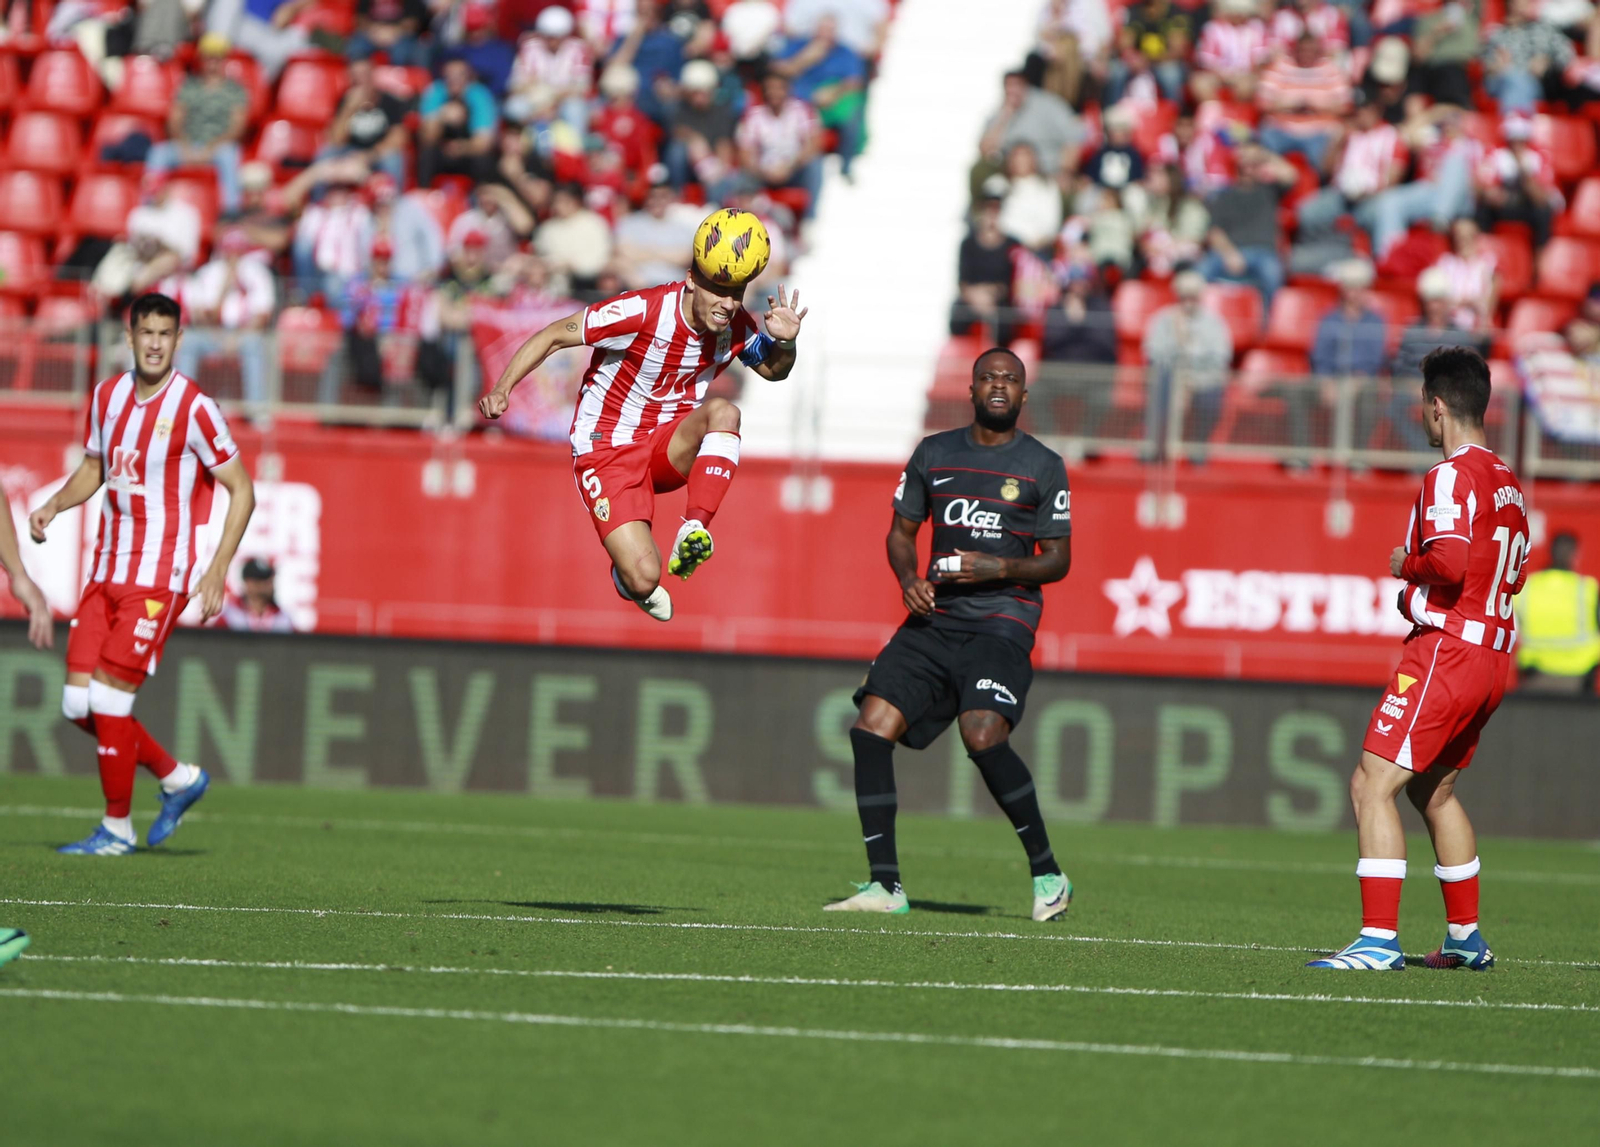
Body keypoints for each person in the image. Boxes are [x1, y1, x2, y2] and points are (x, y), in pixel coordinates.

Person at [826, 347, 1073, 920]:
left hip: (1002, 621)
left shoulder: (1043, 465)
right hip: (935, 619)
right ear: (970, 388)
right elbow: (899, 532)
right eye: (988, 377)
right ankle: (884, 887)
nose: (998, 386)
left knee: (982, 734)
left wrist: (1002, 568)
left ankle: (1047, 876)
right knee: (870, 729)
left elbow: (1058, 561)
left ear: (1023, 395)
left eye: (1010, 380)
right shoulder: (934, 453)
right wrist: (908, 577)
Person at [1308, 346, 1528, 971]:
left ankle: (1378, 941)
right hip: (1491, 658)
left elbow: (1451, 562)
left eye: (1424, 409)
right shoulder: (1509, 483)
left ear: (1436, 407)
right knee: (1433, 792)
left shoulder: (1450, 476)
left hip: (1449, 650)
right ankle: (1465, 938)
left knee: (1370, 784)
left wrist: (1407, 571)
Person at [478, 209, 807, 622]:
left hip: (666, 445)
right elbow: (554, 334)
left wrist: (786, 344)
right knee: (644, 579)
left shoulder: (734, 327)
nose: (727, 303)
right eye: (718, 289)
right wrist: (502, 388)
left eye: (737, 292)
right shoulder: (639, 311)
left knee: (724, 412)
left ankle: (695, 527)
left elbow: (773, 370)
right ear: (691, 278)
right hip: (606, 450)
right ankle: (627, 577)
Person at [28, 293, 257, 856]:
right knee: (78, 706)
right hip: (105, 569)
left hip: (159, 575)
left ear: (178, 341)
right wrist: (56, 505)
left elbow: (242, 489)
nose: (154, 343)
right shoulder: (106, 397)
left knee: (109, 703)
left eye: (165, 334)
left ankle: (116, 830)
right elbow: (93, 468)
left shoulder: (194, 407)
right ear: (129, 337)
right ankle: (177, 778)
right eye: (145, 332)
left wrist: (216, 568)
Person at [145, 32, 249, 213]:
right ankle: (147, 205)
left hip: (218, 146)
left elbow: (237, 128)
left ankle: (231, 215)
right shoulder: (188, 86)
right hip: (187, 144)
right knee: (158, 153)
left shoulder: (236, 90)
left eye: (216, 58)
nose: (212, 63)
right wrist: (183, 144)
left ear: (223, 60)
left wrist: (211, 147)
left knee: (230, 155)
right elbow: (175, 119)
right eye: (208, 58)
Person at [179, 228, 276, 409]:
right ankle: (183, 406)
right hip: (213, 334)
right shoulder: (208, 273)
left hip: (245, 335)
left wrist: (237, 339)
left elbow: (262, 316)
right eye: (229, 250)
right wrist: (223, 290)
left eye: (238, 251)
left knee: (255, 345)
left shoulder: (258, 273)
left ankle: (256, 411)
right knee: (188, 342)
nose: (233, 256)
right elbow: (201, 316)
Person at [1142, 268, 1233, 459]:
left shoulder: (1214, 322)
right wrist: (1178, 346)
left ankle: (1198, 448)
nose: (1188, 303)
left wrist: (1190, 355)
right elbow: (1153, 353)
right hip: (1170, 378)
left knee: (1212, 393)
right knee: (1161, 384)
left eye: (1193, 297)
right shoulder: (1163, 319)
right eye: (1184, 297)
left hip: (1203, 379)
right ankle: (1156, 447)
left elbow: (1220, 357)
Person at [1199, 140, 1296, 308]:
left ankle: (1267, 329)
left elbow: (1291, 175)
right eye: (1244, 165)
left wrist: (1262, 154)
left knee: (1272, 273)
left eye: (1253, 165)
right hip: (1229, 252)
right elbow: (1214, 232)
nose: (1248, 169)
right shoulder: (1224, 196)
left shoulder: (1269, 190)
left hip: (1263, 253)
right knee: (1199, 272)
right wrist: (1230, 254)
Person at [1514, 532, 1600, 694]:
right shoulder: (1587, 589)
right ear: (1574, 555)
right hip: (1580, 677)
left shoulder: (1528, 587)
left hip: (1535, 676)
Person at [735, 72, 823, 219]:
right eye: (770, 88)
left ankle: (810, 219)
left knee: (815, 165)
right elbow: (745, 152)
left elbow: (813, 143)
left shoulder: (801, 110)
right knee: (740, 177)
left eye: (779, 88)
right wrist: (763, 171)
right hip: (763, 172)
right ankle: (742, 221)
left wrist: (790, 165)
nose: (774, 93)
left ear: (787, 90)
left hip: (793, 168)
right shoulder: (753, 115)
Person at [325, 50, 410, 187]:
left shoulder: (388, 101)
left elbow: (399, 138)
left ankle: (392, 204)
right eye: (356, 76)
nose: (361, 80)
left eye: (364, 74)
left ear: (372, 74)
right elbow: (336, 140)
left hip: (377, 152)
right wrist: (349, 109)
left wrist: (369, 156)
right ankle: (319, 204)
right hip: (350, 149)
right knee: (326, 154)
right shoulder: (344, 100)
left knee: (394, 158)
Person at [1476, 112, 1559, 251]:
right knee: (1482, 211)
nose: (1517, 144)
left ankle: (1539, 264)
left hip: (1528, 205)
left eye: (1521, 139)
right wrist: (1492, 194)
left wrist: (1523, 169)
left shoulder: (1539, 157)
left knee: (1544, 213)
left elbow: (1541, 198)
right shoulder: (1496, 154)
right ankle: (1483, 254)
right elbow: (1485, 188)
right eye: (1513, 139)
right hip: (1504, 205)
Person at [951, 180, 1019, 345]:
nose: (991, 213)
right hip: (972, 297)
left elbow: (1011, 283)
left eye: (996, 208)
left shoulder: (1012, 244)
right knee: (957, 314)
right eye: (988, 208)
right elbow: (963, 280)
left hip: (998, 299)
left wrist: (990, 295)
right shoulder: (968, 244)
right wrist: (976, 297)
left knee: (1004, 320)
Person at [419, 56, 500, 187]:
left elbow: (484, 143)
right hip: (441, 153)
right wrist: (441, 115)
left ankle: (482, 200)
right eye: (449, 76)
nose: (454, 80)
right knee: (427, 155)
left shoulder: (480, 96)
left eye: (459, 75)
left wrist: (461, 147)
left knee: (483, 161)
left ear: (469, 77)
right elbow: (427, 138)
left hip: (468, 153)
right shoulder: (435, 92)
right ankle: (424, 196)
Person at [1482, 0, 1573, 115]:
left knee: (1519, 81)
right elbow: (1482, 65)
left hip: (1534, 83)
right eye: (1521, 2)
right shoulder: (1496, 33)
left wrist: (1547, 61)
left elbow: (1567, 54)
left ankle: (1514, 121)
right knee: (1513, 77)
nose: (1527, 5)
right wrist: (1494, 67)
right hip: (1500, 81)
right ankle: (1518, 122)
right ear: (1510, 4)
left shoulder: (1544, 29)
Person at [221, 557, 296, 633]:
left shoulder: (282, 618)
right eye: (261, 580)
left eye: (270, 579)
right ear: (248, 583)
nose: (268, 584)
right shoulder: (231, 614)